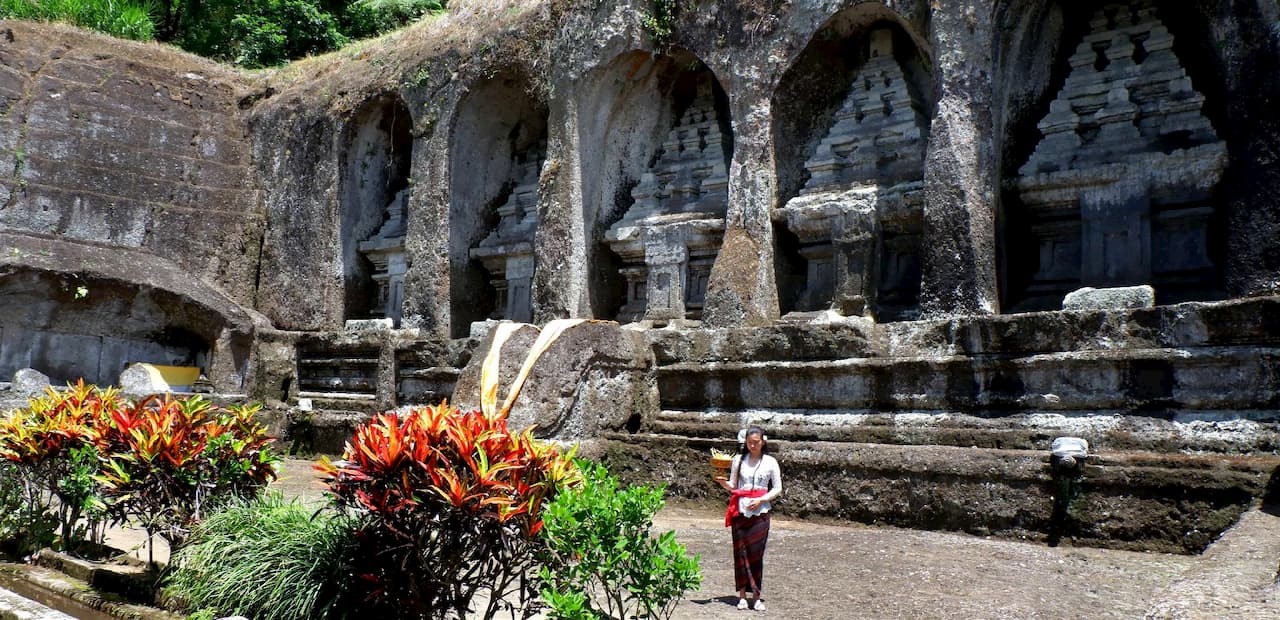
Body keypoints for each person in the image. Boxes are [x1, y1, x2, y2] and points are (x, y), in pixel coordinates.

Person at [717, 426, 782, 612]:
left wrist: (761, 499)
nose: (753, 445)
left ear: (763, 442)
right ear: (745, 442)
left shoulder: (770, 462)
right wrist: (723, 484)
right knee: (740, 553)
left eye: (756, 442)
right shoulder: (739, 460)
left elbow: (777, 488)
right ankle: (743, 596)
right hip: (740, 511)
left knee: (756, 554)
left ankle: (757, 596)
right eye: (749, 442)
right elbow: (733, 485)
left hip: (760, 512)